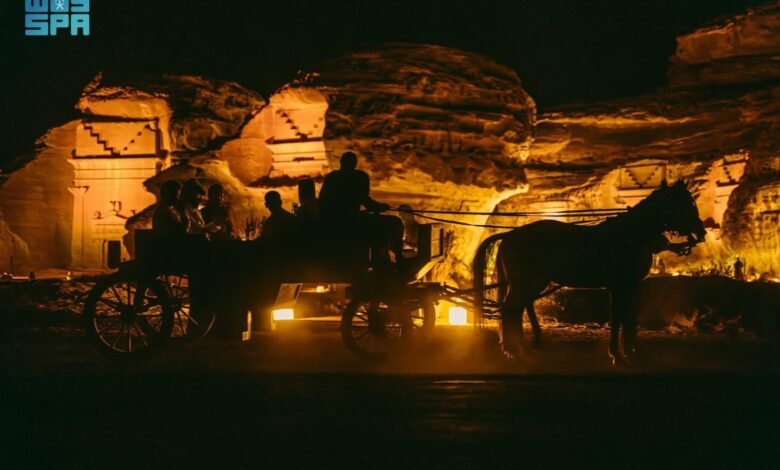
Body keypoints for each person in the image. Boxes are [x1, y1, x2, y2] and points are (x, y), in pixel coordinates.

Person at [319, 151, 403, 266]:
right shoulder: (358, 177)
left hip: (333, 222)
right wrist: (381, 207)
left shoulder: (331, 177)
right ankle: (397, 259)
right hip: (352, 221)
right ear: (354, 164)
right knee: (395, 222)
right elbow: (365, 201)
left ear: (341, 162)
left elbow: (323, 201)